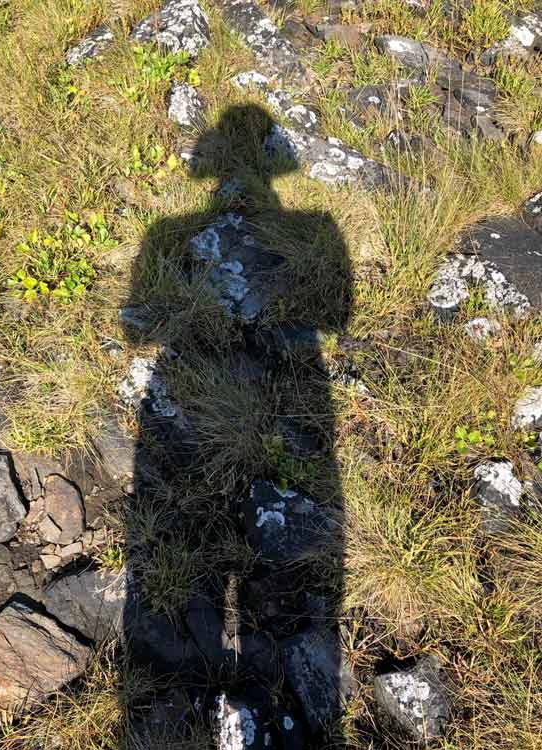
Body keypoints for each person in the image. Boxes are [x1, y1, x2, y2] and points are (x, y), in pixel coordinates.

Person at [121, 103, 354, 747]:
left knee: (176, 559)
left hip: (216, 416)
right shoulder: (310, 228)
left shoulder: (176, 234)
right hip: (272, 415)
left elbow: (137, 321)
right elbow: (337, 311)